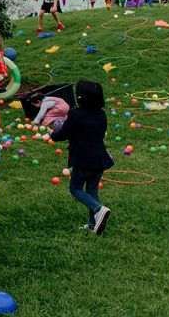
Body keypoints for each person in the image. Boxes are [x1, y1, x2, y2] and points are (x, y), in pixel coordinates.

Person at [50, 80, 114, 235]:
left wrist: (54, 131)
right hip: (99, 159)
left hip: (83, 159)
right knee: (92, 189)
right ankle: (94, 224)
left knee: (75, 188)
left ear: (80, 97)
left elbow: (62, 135)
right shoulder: (101, 114)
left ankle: (99, 209)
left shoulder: (75, 114)